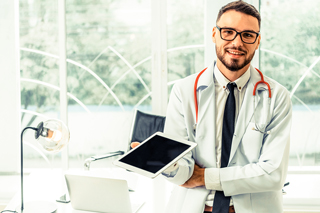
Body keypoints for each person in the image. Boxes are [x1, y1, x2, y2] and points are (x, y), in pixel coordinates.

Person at [132, 1, 292, 212]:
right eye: (228, 32)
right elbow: (184, 173)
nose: (237, 42)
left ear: (258, 41)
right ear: (214, 34)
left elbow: (272, 174)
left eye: (247, 35)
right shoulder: (184, 91)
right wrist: (167, 164)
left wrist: (206, 177)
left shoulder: (276, 96)